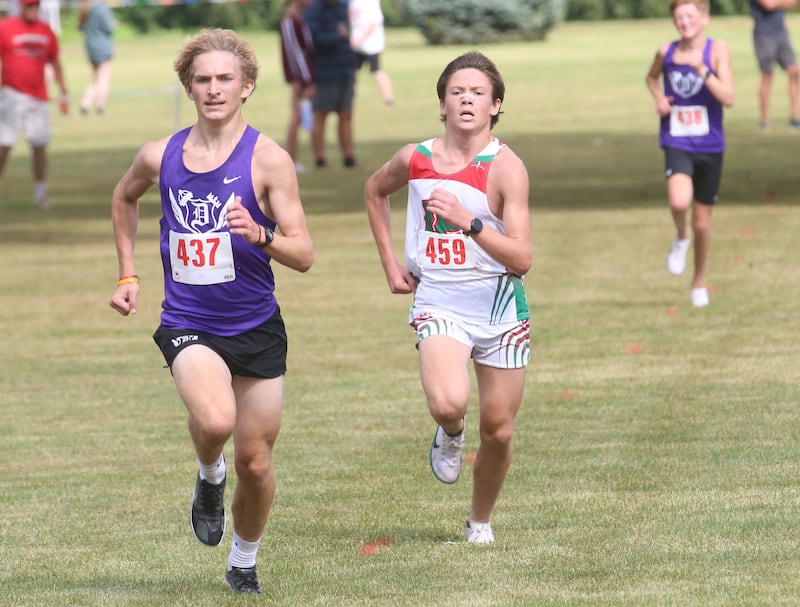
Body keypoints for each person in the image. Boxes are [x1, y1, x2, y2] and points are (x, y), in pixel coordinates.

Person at [108, 28, 314, 594]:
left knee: (257, 462)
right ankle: (207, 473)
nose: (214, 89)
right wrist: (129, 274)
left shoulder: (270, 160)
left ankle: (243, 559)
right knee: (217, 421)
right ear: (188, 87)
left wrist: (260, 234)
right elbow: (125, 196)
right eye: (203, 79)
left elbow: (304, 253)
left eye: (226, 78)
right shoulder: (161, 154)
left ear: (247, 86)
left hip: (255, 325)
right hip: (188, 321)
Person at [365, 51, 532, 544]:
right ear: (442, 104)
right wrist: (392, 263)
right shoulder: (415, 159)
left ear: (495, 105)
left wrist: (470, 221)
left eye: (477, 93)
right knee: (447, 401)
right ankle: (451, 432)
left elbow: (521, 259)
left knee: (499, 430)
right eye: (456, 91)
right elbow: (375, 191)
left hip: (500, 305)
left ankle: (479, 520)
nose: (466, 99)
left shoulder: (506, 168)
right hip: (439, 297)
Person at [645, 0, 735, 308]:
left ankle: (699, 282)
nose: (684, 22)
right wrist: (659, 98)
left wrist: (702, 69)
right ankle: (680, 235)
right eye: (679, 17)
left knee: (703, 222)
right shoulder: (665, 52)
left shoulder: (718, 49)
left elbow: (729, 97)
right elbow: (651, 78)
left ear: (704, 18)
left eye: (690, 16)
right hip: (677, 140)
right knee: (679, 201)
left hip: (710, 145)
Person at [0, 0, 68, 210]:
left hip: (38, 96)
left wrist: (63, 90)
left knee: (39, 145)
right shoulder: (6, 28)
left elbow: (55, 61)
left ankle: (40, 191)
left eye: (36, 6)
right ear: (21, 6)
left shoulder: (46, 30)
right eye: (30, 5)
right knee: (4, 144)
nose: (34, 9)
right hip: (12, 94)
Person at [304, 0, 357, 168]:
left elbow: (348, 36)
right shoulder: (313, 10)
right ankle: (320, 158)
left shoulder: (343, 8)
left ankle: (349, 156)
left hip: (344, 71)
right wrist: (338, 36)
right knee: (320, 115)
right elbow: (312, 40)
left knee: (346, 114)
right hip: (323, 73)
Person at [749, 0, 799, 129]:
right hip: (763, 35)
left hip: (781, 33)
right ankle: (765, 120)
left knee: (794, 72)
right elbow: (768, 4)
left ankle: (794, 118)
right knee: (767, 75)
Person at [279, 0, 315, 173]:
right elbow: (295, 55)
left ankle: (294, 159)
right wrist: (304, 80)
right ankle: (291, 160)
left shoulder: (297, 19)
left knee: (299, 118)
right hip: (299, 79)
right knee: (296, 118)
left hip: (302, 77)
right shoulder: (289, 21)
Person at [348, 0, 394, 105]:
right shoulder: (353, 2)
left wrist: (360, 38)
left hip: (371, 45)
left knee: (376, 70)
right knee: (352, 71)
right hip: (356, 46)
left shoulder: (370, 2)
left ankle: (389, 97)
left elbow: (375, 23)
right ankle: (350, 95)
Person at [78, 0, 116, 116]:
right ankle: (100, 106)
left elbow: (81, 27)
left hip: (90, 46)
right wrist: (114, 24)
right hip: (103, 46)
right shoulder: (101, 8)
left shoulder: (85, 8)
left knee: (96, 79)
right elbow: (108, 27)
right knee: (103, 78)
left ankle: (85, 104)